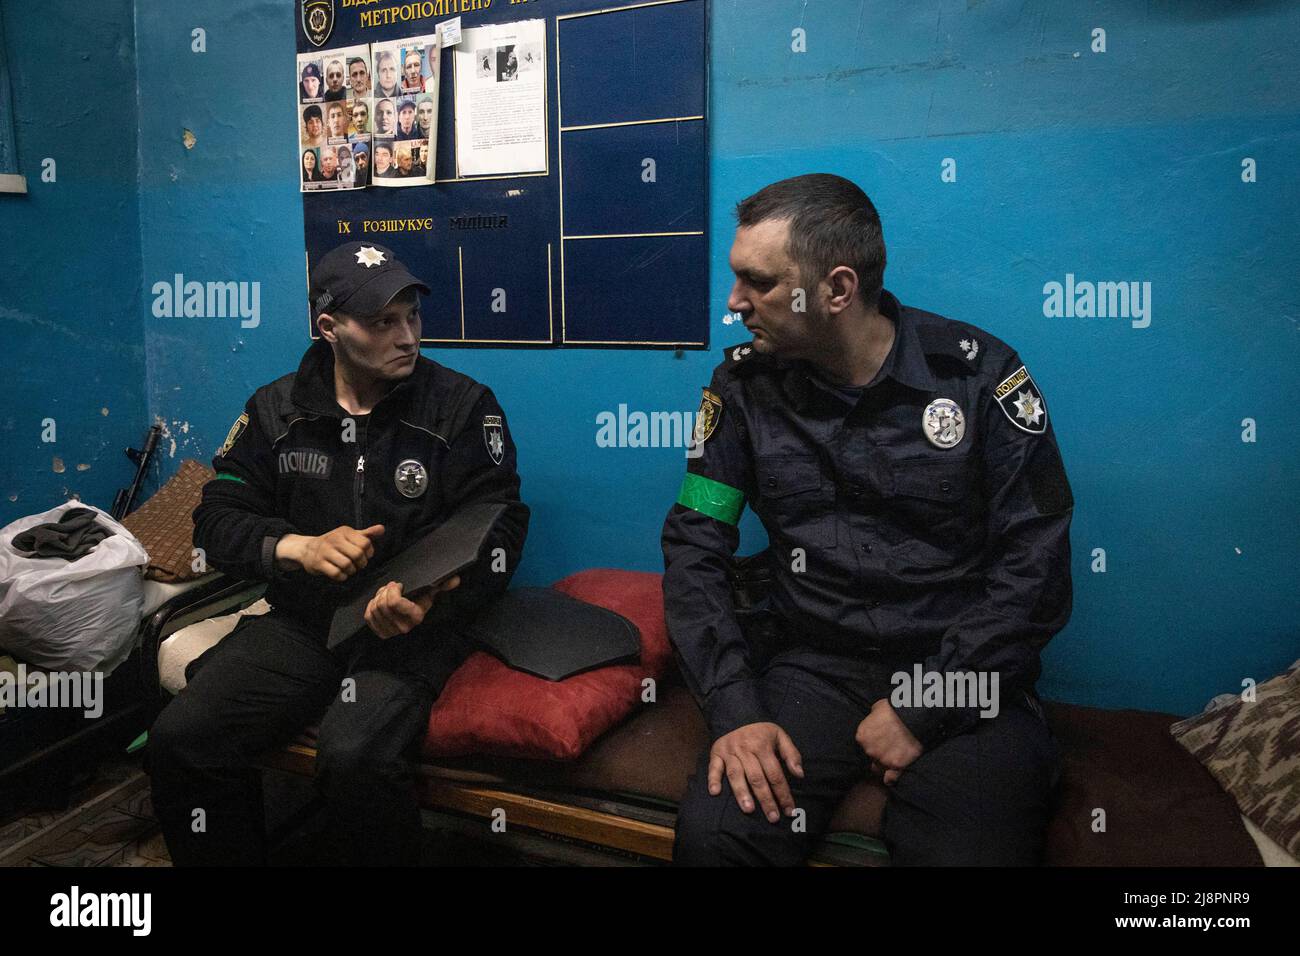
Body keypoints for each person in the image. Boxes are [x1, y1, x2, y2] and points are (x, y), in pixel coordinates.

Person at [662, 173, 1071, 867]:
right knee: (718, 836)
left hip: (961, 670)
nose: (734, 304)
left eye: (756, 283)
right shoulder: (742, 388)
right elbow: (696, 543)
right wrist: (736, 710)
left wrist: (926, 707)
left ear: (837, 290)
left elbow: (1036, 567)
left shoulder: (977, 378)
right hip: (813, 667)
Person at [148, 241, 529, 866]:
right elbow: (215, 521)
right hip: (305, 622)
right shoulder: (276, 411)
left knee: (355, 756)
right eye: (383, 322)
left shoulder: (462, 406)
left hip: (410, 632)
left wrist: (431, 596)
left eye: (413, 317)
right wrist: (294, 547)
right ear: (329, 328)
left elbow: (500, 526)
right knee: (181, 740)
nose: (407, 337)